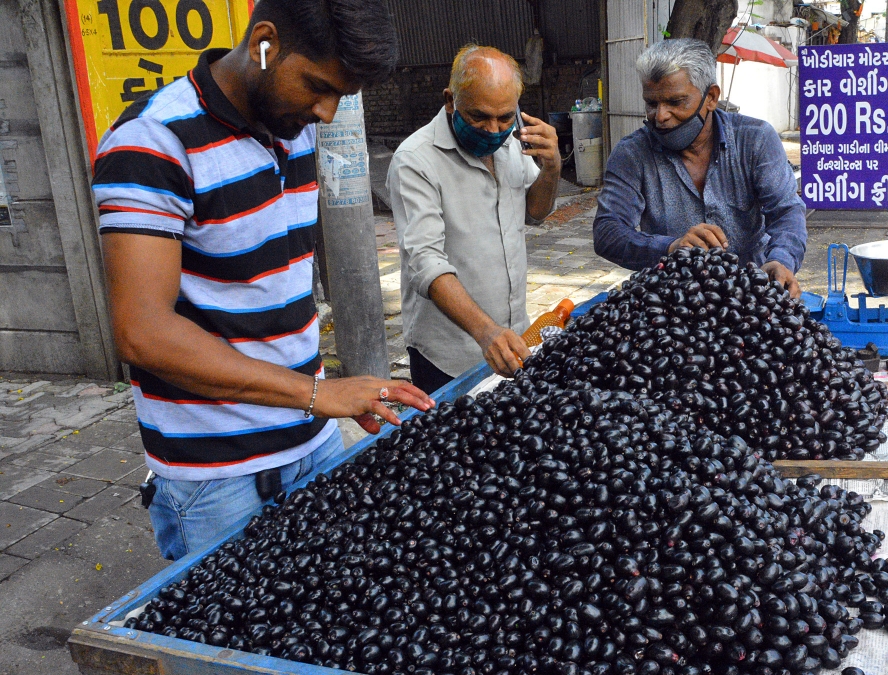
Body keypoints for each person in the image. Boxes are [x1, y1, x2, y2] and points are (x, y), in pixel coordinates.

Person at [91, 0, 435, 561]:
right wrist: (318, 393)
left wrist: (317, 403)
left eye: (342, 97)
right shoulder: (152, 142)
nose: (327, 113)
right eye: (318, 87)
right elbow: (142, 332)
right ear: (264, 43)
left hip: (313, 441)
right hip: (220, 477)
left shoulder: (292, 127)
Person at [388, 45, 561, 393]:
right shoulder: (415, 161)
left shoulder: (511, 144)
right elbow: (425, 262)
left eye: (505, 117)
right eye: (479, 117)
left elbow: (535, 212)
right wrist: (485, 331)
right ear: (450, 100)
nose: (493, 130)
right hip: (449, 356)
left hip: (514, 337)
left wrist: (552, 167)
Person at [592, 39, 807, 297]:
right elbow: (607, 232)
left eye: (675, 102)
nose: (660, 116)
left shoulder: (755, 139)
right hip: (670, 299)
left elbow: (786, 211)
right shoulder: (631, 154)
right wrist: (671, 247)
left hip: (751, 296)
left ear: (711, 98)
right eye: (651, 104)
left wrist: (781, 260)